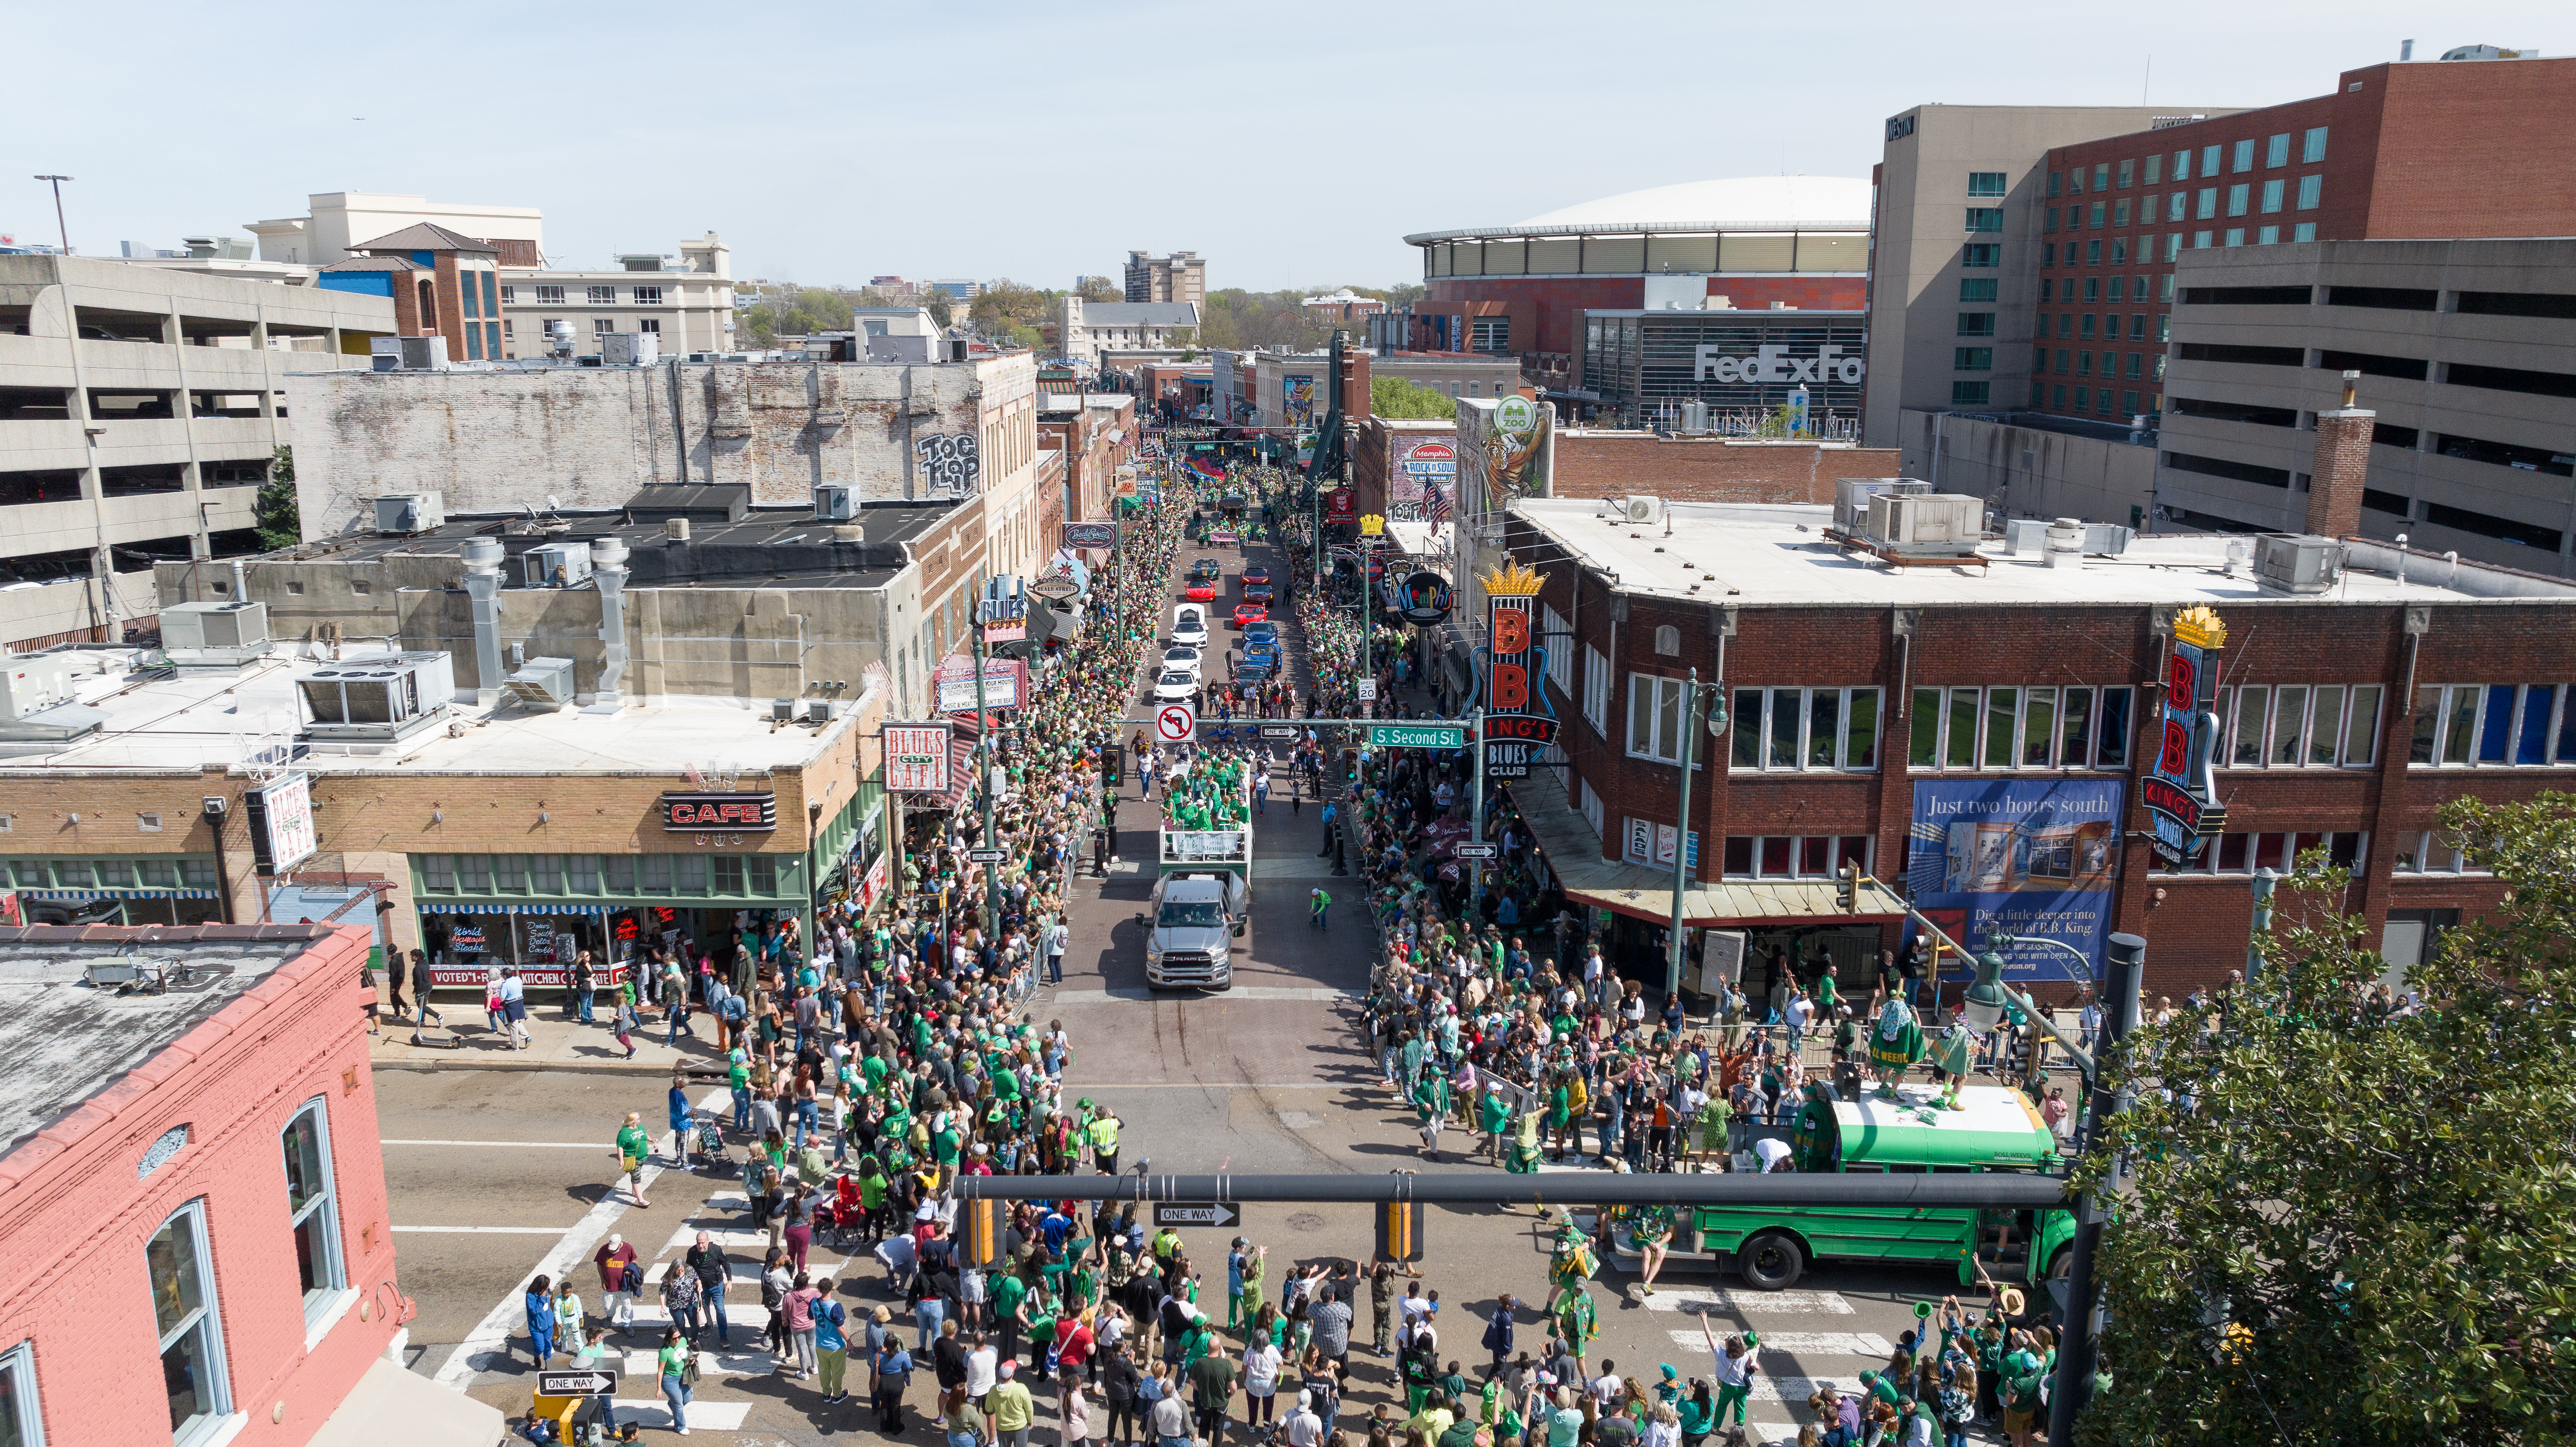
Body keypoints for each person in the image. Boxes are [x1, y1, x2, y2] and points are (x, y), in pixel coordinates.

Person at [1698, 1316, 1756, 1429]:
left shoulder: (1722, 1355)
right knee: (1740, 1406)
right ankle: (1739, 1429)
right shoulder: (1746, 1356)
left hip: (1728, 1386)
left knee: (1722, 1405)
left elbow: (1710, 1337)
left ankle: (1716, 1427)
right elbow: (1754, 1366)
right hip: (1743, 1386)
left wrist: (1705, 1321)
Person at [816, 1277, 852, 1405]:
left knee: (824, 1370)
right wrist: (848, 1341)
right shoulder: (835, 1306)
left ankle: (826, 1393)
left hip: (820, 1344)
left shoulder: (814, 1303)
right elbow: (841, 1326)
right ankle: (837, 1395)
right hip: (836, 1346)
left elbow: (811, 1316)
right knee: (838, 1372)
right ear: (832, 1288)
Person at [593, 1234, 640, 1330]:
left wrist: (630, 1269)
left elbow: (633, 1260)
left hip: (625, 1285)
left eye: (614, 1249)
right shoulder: (604, 1250)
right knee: (608, 1305)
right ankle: (610, 1316)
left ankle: (627, 1324)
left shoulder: (628, 1248)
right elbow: (600, 1264)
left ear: (620, 1244)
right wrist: (602, 1279)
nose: (612, 1251)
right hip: (609, 1285)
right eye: (611, 1249)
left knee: (627, 1306)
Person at [658, 1326, 694, 1437]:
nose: (677, 1340)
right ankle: (680, 1426)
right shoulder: (665, 1352)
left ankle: (672, 1404)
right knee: (679, 1404)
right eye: (674, 1338)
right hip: (670, 1380)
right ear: (669, 1339)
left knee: (688, 1398)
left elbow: (687, 1353)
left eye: (679, 1337)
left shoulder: (683, 1341)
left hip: (683, 1376)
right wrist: (659, 1389)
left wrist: (691, 1359)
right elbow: (660, 1371)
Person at [991, 1361, 1037, 1447]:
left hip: (1002, 1428)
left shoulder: (993, 1391)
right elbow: (1029, 1409)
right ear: (1012, 1374)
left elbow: (989, 1409)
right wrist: (1030, 1421)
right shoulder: (1022, 1389)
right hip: (1020, 1428)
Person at [612, 1111, 652, 1208]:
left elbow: (644, 1134)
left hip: (642, 1158)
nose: (640, 1119)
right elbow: (620, 1147)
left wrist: (651, 1140)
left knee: (636, 1176)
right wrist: (621, 1160)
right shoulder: (624, 1133)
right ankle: (641, 1200)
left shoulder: (640, 1127)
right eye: (639, 1118)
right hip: (632, 1159)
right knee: (637, 1178)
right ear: (634, 1121)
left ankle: (634, 1192)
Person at [524, 1275, 557, 1364]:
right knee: (540, 1347)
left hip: (548, 1325)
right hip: (537, 1327)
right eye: (547, 1285)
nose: (549, 1287)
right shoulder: (530, 1296)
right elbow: (535, 1311)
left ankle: (548, 1364)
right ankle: (536, 1355)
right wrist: (542, 1298)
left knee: (548, 1346)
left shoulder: (545, 1291)